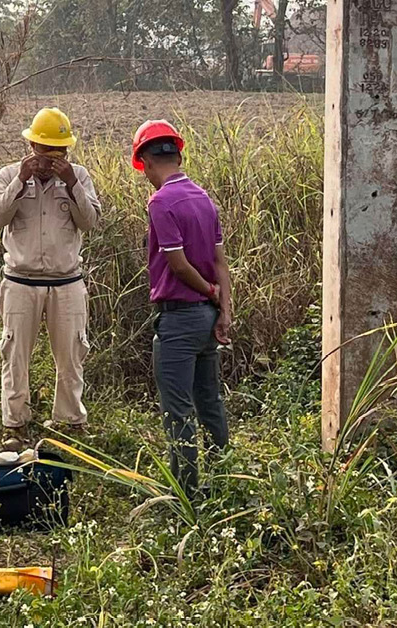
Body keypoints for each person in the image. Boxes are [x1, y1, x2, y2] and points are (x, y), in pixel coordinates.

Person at [0, 107, 101, 452]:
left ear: (66, 152)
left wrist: (72, 183)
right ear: (31, 146)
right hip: (20, 281)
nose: (51, 159)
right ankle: (15, 424)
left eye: (58, 152)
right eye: (44, 150)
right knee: (14, 353)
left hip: (66, 282)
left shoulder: (79, 177)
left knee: (71, 353)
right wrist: (21, 180)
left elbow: (90, 221)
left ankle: (69, 422)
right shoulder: (9, 175)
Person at [133, 120, 232, 499]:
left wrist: (208, 291)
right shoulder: (203, 198)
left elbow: (178, 265)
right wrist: (224, 310)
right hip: (207, 319)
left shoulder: (161, 202)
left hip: (179, 319)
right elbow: (222, 262)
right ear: (178, 153)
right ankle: (224, 482)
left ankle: (185, 493)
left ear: (144, 159)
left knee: (178, 410)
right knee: (209, 401)